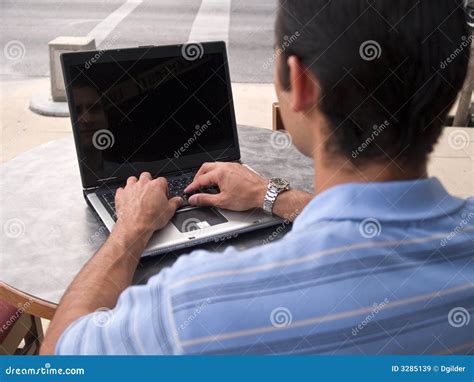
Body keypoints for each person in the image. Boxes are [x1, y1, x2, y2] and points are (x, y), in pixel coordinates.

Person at [41, 0, 473, 355]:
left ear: (300, 84)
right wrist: (272, 196)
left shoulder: (190, 307)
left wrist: (130, 231)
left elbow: (59, 357)